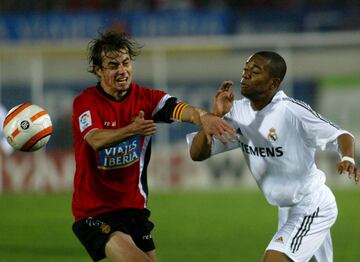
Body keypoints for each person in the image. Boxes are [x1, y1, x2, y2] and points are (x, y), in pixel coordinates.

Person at [71, 30, 235, 262]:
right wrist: (132, 129)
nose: (122, 70)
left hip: (134, 208)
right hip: (95, 211)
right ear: (98, 70)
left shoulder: (146, 98)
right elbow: (96, 139)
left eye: (126, 63)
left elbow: (183, 111)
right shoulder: (86, 102)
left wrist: (206, 116)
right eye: (113, 65)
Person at [188, 51, 359, 262]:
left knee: (273, 259)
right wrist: (214, 117)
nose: (246, 76)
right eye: (245, 70)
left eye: (255, 71)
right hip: (287, 210)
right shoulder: (237, 114)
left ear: (273, 83)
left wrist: (348, 158)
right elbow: (196, 154)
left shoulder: (292, 111)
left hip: (312, 204)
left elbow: (342, 135)